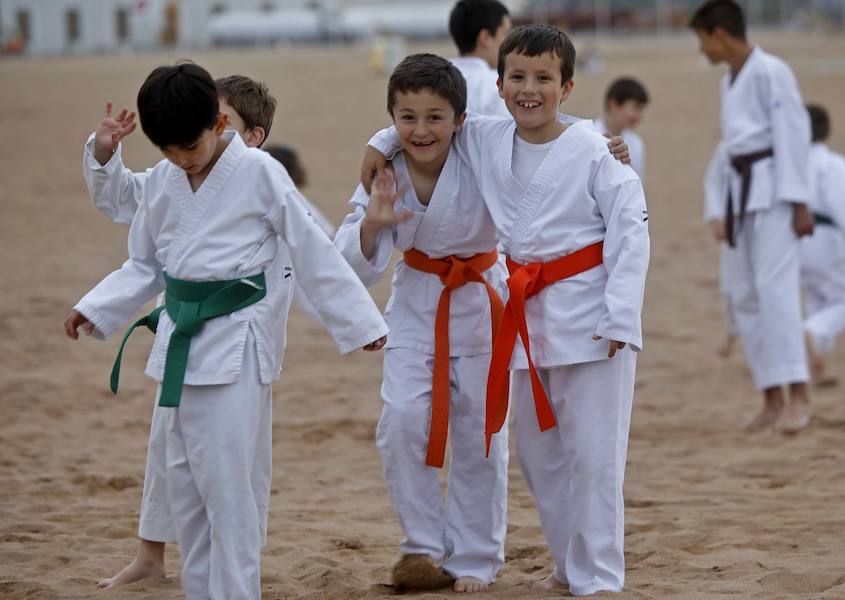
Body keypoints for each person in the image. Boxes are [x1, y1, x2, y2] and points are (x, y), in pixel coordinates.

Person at [64, 62, 388, 600]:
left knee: (228, 490)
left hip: (238, 343)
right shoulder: (167, 179)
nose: (179, 159)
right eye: (166, 150)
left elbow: (311, 251)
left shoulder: (259, 173)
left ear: (220, 123)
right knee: (185, 485)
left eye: (188, 146)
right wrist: (94, 308)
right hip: (178, 342)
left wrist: (359, 323)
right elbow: (145, 264)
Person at [364, 24, 650, 596]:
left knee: (593, 457)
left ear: (567, 87)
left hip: (591, 316)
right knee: (540, 458)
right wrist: (376, 146)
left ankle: (598, 579)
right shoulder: (486, 137)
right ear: (498, 84)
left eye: (544, 78)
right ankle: (570, 567)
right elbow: (422, 125)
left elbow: (631, 232)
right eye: (517, 77)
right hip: (522, 320)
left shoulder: (595, 150)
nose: (529, 89)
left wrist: (621, 314)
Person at [334, 53, 508, 594]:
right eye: (406, 118)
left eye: (435, 117)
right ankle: (422, 548)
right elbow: (351, 264)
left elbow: (544, 133)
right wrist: (372, 224)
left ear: (460, 119)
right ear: (391, 119)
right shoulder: (383, 171)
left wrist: (607, 145)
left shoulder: (483, 147)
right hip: (416, 307)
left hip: (482, 305)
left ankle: (475, 556)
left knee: (482, 433)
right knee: (402, 423)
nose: (421, 129)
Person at [690, 0, 815, 434]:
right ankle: (771, 396)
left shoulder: (771, 71)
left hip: (775, 195)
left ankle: (800, 395)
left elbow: (793, 136)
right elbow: (730, 151)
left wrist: (799, 202)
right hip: (740, 195)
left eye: (703, 39)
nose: (702, 49)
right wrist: (718, 206)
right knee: (743, 294)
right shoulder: (730, 81)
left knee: (775, 292)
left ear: (720, 34)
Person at [800, 104, 845, 383]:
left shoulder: (789, 162)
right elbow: (841, 202)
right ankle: (810, 333)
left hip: (792, 239)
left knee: (816, 299)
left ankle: (817, 364)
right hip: (824, 235)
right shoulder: (832, 163)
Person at [703, 142, 740, 358]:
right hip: (734, 225)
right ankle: (732, 332)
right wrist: (716, 216)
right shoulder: (728, 146)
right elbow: (713, 181)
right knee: (731, 284)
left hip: (769, 227)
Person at [448, 0, 512, 117]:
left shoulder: (433, 79)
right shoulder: (498, 86)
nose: (510, 42)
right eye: (506, 34)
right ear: (486, 37)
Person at [593, 77, 649, 179]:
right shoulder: (590, 137)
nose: (638, 117)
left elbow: (638, 187)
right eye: (635, 108)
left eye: (641, 110)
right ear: (613, 104)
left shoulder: (636, 143)